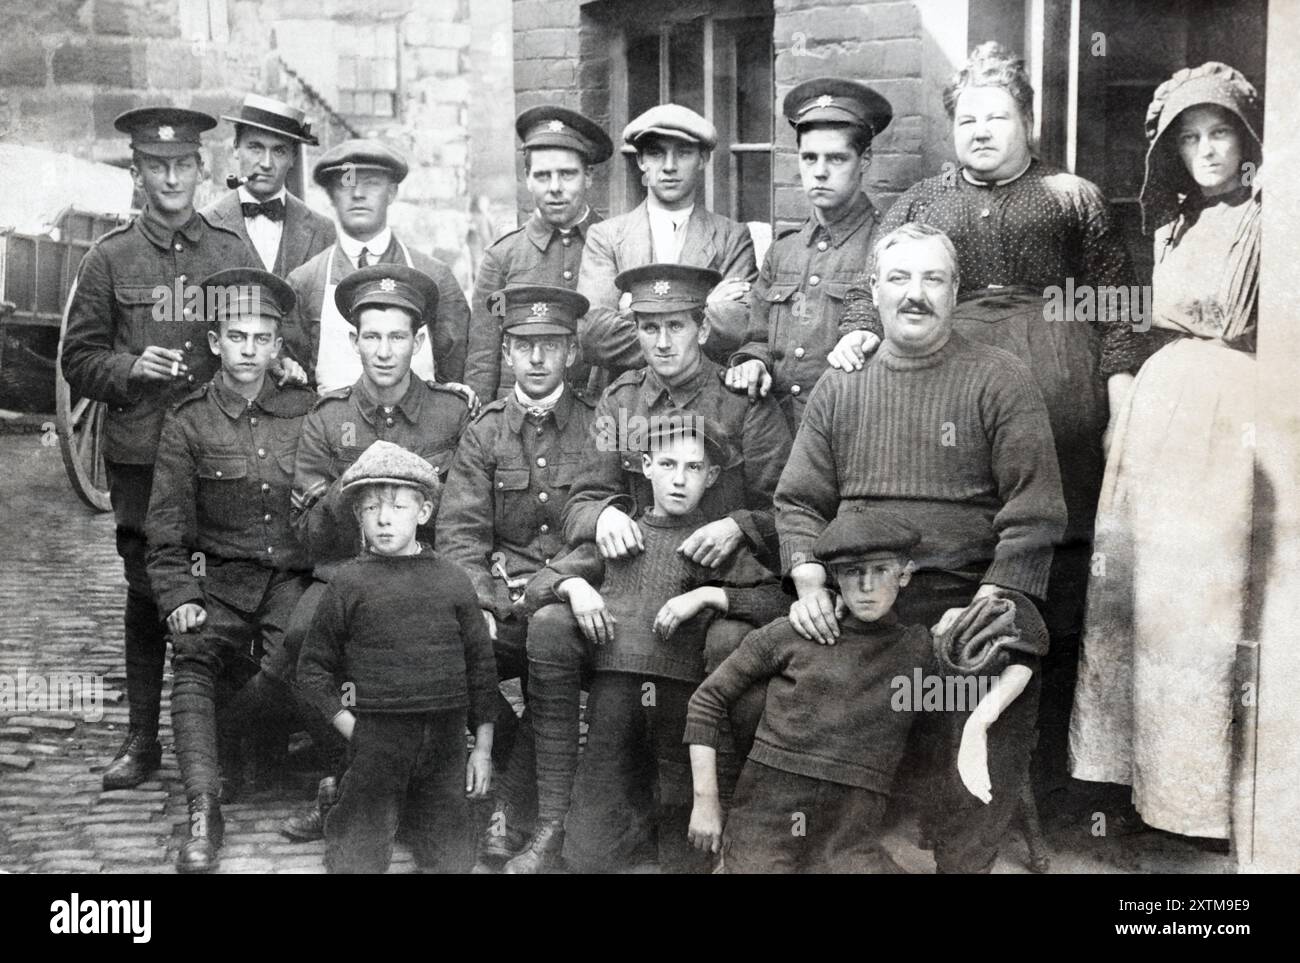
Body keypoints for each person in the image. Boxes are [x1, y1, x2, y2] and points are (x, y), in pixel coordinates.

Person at [831, 42, 1139, 800]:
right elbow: (874, 287)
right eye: (968, 118)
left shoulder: (1072, 197)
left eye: (998, 116)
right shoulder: (921, 202)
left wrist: (1119, 400)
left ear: (1027, 123)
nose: (981, 130)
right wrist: (858, 330)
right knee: (971, 548)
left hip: (1062, 395)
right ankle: (946, 768)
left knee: (1055, 562)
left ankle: (1046, 773)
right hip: (958, 393)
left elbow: (1116, 305)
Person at [775, 222, 1067, 873]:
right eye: (899, 278)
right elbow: (797, 501)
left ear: (955, 290)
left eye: (933, 278)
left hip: (967, 592)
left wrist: (986, 605)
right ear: (874, 290)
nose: (916, 294)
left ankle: (967, 857)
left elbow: (1036, 512)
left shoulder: (1000, 379)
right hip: (865, 599)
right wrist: (810, 578)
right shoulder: (841, 386)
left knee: (983, 680)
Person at [1070, 63, 1264, 844]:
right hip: (1159, 405)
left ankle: (1201, 801)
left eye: (1220, 134)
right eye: (1190, 139)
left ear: (1247, 140)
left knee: (1201, 599)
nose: (1206, 151)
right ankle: (1134, 782)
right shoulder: (1173, 226)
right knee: (1137, 595)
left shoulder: (1268, 214)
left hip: (1227, 407)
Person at [60, 107, 266, 791]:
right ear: (138, 171)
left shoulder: (230, 253)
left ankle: (230, 733)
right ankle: (142, 738)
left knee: (230, 582)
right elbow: (77, 360)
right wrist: (128, 369)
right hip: (143, 454)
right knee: (149, 587)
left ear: (200, 170)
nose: (171, 177)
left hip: (221, 451)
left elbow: (268, 333)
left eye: (183, 165)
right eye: (157, 165)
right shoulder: (109, 258)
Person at [518, 418, 787, 873]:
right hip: (614, 706)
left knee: (686, 857)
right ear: (646, 467)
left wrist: (709, 595)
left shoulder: (711, 545)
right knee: (588, 854)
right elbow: (537, 587)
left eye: (693, 467)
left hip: (684, 715)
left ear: (712, 477)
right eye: (667, 464)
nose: (680, 479)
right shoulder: (622, 535)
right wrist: (575, 589)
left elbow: (774, 602)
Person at [280, 264, 470, 841]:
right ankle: (343, 771)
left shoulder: (452, 413)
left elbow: (461, 518)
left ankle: (413, 779)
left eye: (397, 337)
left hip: (425, 573)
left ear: (417, 342)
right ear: (353, 340)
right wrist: (355, 483)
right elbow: (308, 535)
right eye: (371, 336)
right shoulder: (326, 417)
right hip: (345, 574)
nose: (384, 351)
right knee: (300, 641)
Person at [143, 269, 317, 872]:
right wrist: (178, 597)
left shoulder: (306, 409)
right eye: (236, 335)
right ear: (216, 342)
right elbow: (165, 531)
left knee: (303, 652)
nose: (249, 349)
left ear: (277, 346)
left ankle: (240, 744)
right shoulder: (188, 420)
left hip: (291, 579)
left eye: (262, 337)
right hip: (220, 580)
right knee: (191, 650)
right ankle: (203, 807)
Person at [438, 283, 597, 869]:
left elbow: (609, 523)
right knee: (446, 657)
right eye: (523, 345)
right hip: (503, 600)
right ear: (505, 353)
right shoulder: (484, 432)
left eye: (549, 344)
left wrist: (562, 582)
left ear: (572, 353)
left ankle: (511, 804)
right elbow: (462, 532)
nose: (536, 358)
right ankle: (511, 773)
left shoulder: (600, 425)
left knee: (551, 651)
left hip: (571, 602)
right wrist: (475, 600)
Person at [686, 509, 932, 873]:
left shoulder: (919, 648)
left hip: (848, 831)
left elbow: (969, 689)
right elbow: (707, 699)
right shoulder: (792, 632)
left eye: (880, 571)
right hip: (768, 814)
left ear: (905, 574)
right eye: (852, 572)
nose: (866, 587)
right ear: (833, 577)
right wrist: (705, 801)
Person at [296, 441, 497, 874]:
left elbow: (482, 668)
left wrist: (481, 748)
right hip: (377, 741)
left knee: (453, 863)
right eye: (371, 509)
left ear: (423, 513)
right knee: (354, 864)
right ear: (358, 516)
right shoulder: (348, 584)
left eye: (399, 507)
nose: (385, 519)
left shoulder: (453, 579)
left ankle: (414, 810)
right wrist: (354, 729)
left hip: (444, 741)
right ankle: (347, 799)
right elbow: (312, 671)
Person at [726, 78, 891, 431]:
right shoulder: (783, 250)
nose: (819, 171)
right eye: (809, 157)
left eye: (836, 158)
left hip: (852, 426)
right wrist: (751, 362)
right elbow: (757, 337)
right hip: (777, 430)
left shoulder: (886, 245)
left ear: (865, 160)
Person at [577, 104, 757, 378]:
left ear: (703, 159)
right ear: (640, 161)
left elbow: (740, 328)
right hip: (625, 398)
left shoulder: (732, 237)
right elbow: (594, 336)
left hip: (706, 399)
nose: (669, 167)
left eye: (683, 153)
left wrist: (632, 312)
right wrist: (706, 306)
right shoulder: (606, 237)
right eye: (656, 153)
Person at [281, 139, 471, 393]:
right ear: (331, 196)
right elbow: (295, 377)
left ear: (392, 193)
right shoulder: (306, 281)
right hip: (336, 428)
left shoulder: (433, 276)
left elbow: (456, 372)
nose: (358, 194)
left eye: (371, 183)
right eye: (346, 183)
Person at [464, 107, 613, 402]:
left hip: (598, 413)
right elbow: (483, 358)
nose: (555, 188)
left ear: (589, 177)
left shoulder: (616, 245)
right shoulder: (502, 258)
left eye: (567, 174)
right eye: (543, 176)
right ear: (528, 180)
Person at [202, 93, 336, 276]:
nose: (266, 163)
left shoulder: (323, 231)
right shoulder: (204, 224)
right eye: (255, 148)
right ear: (235, 148)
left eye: (279, 151)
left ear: (293, 158)